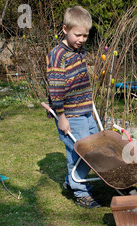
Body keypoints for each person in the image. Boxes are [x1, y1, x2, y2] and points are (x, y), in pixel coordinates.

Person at [46, 6, 100, 208]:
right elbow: (56, 88)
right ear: (65, 29)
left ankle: (72, 181)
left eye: (86, 35)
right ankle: (80, 192)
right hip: (69, 114)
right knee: (80, 152)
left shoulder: (79, 50)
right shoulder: (57, 55)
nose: (82, 39)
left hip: (85, 111)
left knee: (95, 150)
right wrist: (61, 116)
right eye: (78, 34)